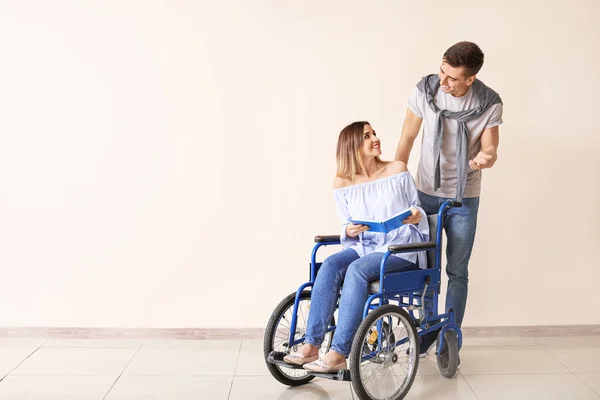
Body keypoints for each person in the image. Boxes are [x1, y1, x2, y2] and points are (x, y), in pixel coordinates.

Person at [283, 121, 429, 373]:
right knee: (329, 264)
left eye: (374, 133)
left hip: (400, 248)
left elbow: (416, 207)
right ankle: (311, 346)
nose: (375, 138)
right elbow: (347, 225)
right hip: (366, 247)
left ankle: (339, 353)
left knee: (357, 270)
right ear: (352, 146)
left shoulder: (397, 169)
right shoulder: (342, 183)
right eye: (366, 136)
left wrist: (417, 214)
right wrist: (348, 231)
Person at [394, 41, 503, 355]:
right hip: (424, 195)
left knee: (457, 270)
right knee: (425, 268)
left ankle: (449, 338)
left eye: (452, 77)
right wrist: (397, 184)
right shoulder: (426, 91)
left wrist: (487, 158)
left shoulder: (489, 102)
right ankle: (427, 331)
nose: (443, 80)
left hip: (463, 200)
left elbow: (491, 148)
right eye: (442, 70)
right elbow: (407, 138)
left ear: (470, 80)